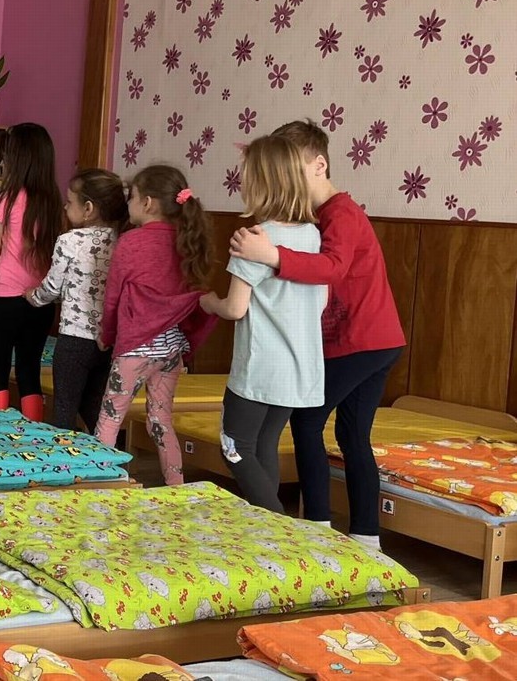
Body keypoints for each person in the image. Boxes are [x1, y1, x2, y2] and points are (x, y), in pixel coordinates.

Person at [230, 120, 405, 549]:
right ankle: (366, 536)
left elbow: (331, 269)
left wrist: (271, 254)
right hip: (376, 340)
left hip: (361, 340)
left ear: (318, 165)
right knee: (352, 436)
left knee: (307, 420)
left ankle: (315, 528)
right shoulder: (312, 221)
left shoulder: (340, 213)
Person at [200, 136, 327, 513]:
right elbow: (320, 300)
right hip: (299, 366)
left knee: (234, 447)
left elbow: (235, 308)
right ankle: (266, 533)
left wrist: (209, 301)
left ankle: (280, 525)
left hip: (259, 367)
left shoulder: (255, 239)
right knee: (262, 444)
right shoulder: (312, 234)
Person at [95, 165, 216, 486]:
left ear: (147, 203)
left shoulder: (131, 242)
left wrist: (106, 335)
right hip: (171, 350)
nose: (128, 203)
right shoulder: (188, 241)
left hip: (135, 350)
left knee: (110, 419)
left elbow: (112, 299)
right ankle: (176, 486)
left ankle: (103, 486)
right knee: (160, 420)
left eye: (131, 197)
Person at [26, 169, 127, 433]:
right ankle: (109, 452)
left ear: (88, 209)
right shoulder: (122, 240)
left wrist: (33, 297)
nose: (65, 206)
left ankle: (64, 456)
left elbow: (52, 287)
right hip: (107, 340)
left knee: (64, 409)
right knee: (95, 408)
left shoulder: (69, 240)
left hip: (74, 339)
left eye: (70, 201)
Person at [0, 124, 64, 420]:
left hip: (5, 296)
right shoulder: (53, 202)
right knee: (29, 368)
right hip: (41, 299)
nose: (3, 161)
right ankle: (34, 430)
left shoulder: (6, 199)